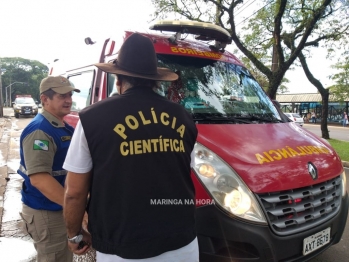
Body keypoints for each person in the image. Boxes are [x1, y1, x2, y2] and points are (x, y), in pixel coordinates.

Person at [63, 33, 199, 261]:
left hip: (121, 247)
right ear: (156, 80)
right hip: (182, 244)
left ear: (118, 79)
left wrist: (74, 235)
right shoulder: (184, 117)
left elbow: (75, 193)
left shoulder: (92, 118)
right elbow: (183, 172)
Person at [18, 76, 80, 262]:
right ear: (45, 99)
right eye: (62, 96)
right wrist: (74, 207)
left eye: (69, 94)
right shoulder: (40, 131)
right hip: (47, 212)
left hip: (56, 207)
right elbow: (39, 178)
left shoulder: (61, 126)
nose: (68, 100)